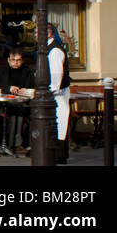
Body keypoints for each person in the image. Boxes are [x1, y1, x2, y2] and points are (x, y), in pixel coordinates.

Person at [0, 47, 36, 150]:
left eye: (18, 60)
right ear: (8, 60)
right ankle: (10, 143)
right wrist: (9, 88)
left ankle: (16, 143)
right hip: (1, 104)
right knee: (14, 110)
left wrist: (26, 90)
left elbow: (34, 87)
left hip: (21, 103)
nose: (15, 63)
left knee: (20, 110)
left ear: (22, 61)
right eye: (13, 60)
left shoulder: (28, 72)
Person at [47, 26, 71, 164]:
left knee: (60, 122)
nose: (35, 35)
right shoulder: (48, 48)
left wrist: (51, 90)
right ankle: (56, 153)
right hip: (54, 92)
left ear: (49, 33)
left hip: (58, 93)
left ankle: (59, 155)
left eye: (37, 32)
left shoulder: (55, 50)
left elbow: (56, 74)